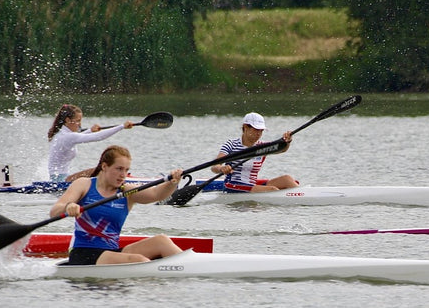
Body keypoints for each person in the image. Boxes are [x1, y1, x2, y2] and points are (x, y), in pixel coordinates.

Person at [50, 145, 183, 265]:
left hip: (111, 253)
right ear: (104, 167)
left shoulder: (127, 191)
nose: (123, 175)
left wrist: (172, 182)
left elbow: (156, 194)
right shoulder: (84, 184)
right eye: (119, 169)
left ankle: (188, 267)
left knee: (161, 241)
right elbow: (55, 211)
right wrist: (68, 206)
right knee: (139, 261)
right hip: (84, 254)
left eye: (126, 170)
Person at [211, 112, 297, 192]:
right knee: (272, 189)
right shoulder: (231, 144)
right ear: (245, 127)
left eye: (261, 130)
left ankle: (303, 197)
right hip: (233, 186)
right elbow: (215, 166)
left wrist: (288, 141)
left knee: (287, 179)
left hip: (252, 185)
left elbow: (282, 149)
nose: (259, 134)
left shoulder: (262, 147)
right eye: (256, 129)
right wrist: (221, 169)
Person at [48, 104, 134, 182]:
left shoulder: (62, 134)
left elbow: (78, 137)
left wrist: (90, 131)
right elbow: (98, 137)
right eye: (77, 121)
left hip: (59, 178)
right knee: (99, 169)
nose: (80, 124)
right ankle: (115, 183)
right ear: (67, 120)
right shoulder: (67, 136)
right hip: (60, 180)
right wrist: (121, 126)